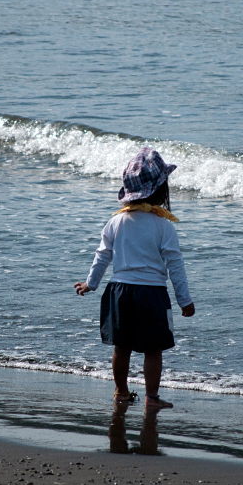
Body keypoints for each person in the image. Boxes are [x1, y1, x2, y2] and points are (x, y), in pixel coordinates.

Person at [74, 147, 195, 410]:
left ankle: (120, 392)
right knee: (153, 350)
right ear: (160, 190)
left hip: (119, 291)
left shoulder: (116, 222)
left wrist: (90, 284)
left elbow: (102, 255)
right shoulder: (164, 226)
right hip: (151, 294)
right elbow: (175, 265)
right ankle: (151, 398)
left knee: (122, 346)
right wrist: (184, 300)